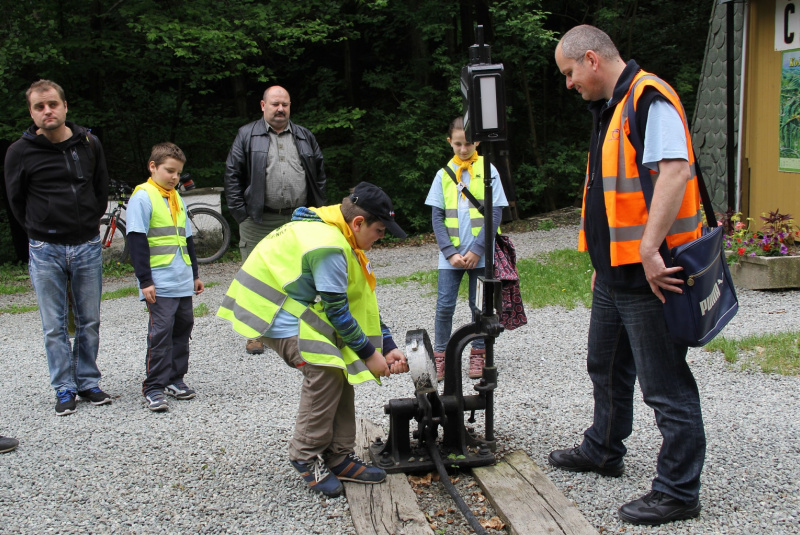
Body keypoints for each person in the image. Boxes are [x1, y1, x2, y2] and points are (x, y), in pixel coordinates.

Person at [550, 25, 706, 526]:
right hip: (614, 275)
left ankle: (679, 491)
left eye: (570, 73)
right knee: (606, 367)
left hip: (649, 276)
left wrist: (648, 250)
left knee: (665, 387)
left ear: (591, 60)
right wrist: (603, 261)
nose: (569, 84)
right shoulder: (610, 108)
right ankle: (603, 448)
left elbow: (675, 172)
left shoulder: (648, 99)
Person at [218, 182, 409, 497]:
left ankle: (338, 454)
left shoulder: (338, 231)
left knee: (342, 363)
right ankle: (305, 455)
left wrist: (386, 346)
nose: (381, 237)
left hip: (300, 311)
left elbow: (360, 303)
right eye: (379, 230)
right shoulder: (329, 246)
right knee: (326, 367)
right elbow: (338, 313)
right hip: (277, 317)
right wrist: (370, 354)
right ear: (358, 223)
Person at [4, 79, 111, 416]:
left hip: (86, 246)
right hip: (46, 248)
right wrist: (40, 229)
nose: (47, 111)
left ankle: (87, 381)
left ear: (65, 107)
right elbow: (16, 202)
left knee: (89, 320)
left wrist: (87, 224)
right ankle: (64, 389)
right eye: (39, 106)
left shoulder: (89, 144)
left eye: (52, 104)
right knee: (54, 325)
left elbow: (100, 189)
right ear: (32, 113)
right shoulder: (19, 152)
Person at [223, 85, 327, 356]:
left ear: (290, 106)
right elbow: (232, 175)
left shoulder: (304, 136)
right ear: (263, 105)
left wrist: (318, 211)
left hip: (298, 218)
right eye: (275, 104)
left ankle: (293, 327)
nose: (280, 109)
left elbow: (319, 175)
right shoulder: (246, 134)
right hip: (258, 218)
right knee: (254, 276)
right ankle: (254, 333)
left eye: (285, 104)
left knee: (298, 272)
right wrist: (241, 214)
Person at [424, 117, 508, 381]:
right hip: (451, 255)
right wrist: (449, 251)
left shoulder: (488, 170)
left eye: (468, 143)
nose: (463, 149)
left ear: (477, 142)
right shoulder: (442, 175)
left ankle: (478, 354)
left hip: (480, 256)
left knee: (479, 307)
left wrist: (477, 250)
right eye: (458, 144)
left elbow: (495, 213)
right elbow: (437, 217)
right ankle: (441, 357)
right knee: (444, 306)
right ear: (450, 142)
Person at [126, 142, 204, 412]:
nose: (174, 177)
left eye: (178, 173)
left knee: (183, 328)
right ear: (153, 167)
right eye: (169, 171)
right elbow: (136, 241)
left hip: (181, 278)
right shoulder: (143, 197)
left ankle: (175, 379)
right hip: (159, 281)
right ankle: (154, 386)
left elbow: (187, 240)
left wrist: (194, 274)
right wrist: (145, 281)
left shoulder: (176, 198)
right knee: (161, 333)